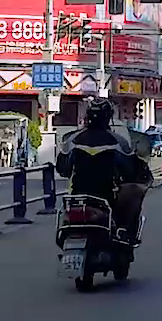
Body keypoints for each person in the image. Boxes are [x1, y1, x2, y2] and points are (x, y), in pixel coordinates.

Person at [62, 99, 153, 241]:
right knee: (135, 192)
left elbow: (62, 169)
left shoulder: (72, 140)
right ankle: (125, 233)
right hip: (107, 197)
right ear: (109, 117)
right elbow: (130, 171)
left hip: (77, 196)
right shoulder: (118, 142)